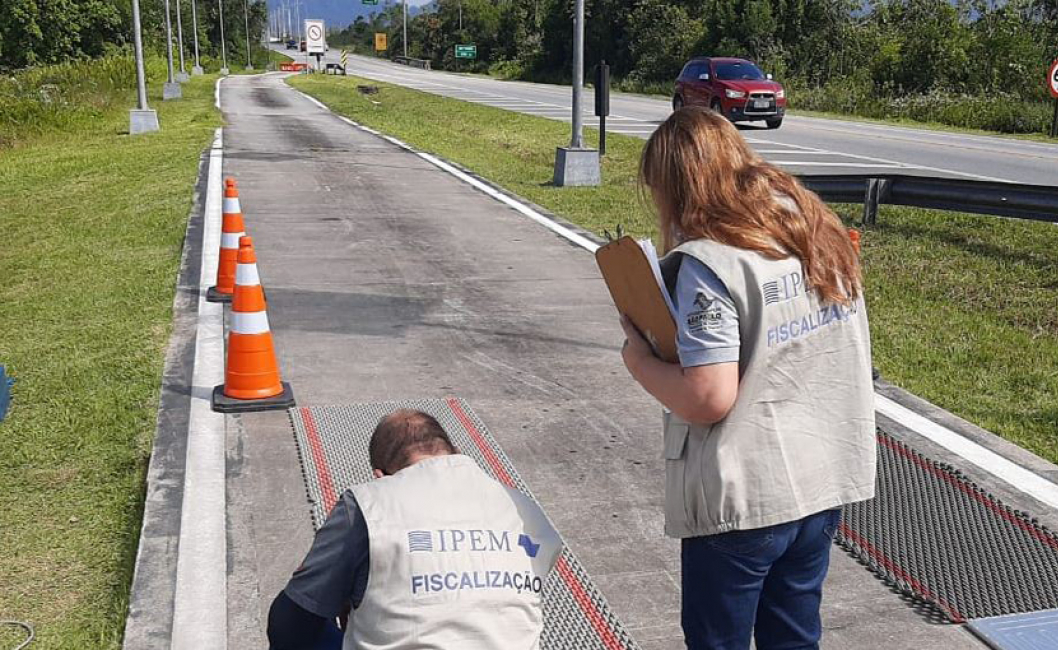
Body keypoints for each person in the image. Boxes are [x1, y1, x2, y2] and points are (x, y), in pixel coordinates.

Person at [620, 107, 876, 650]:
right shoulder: (811, 227)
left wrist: (639, 360)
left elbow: (709, 396)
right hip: (819, 485)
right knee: (794, 637)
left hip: (744, 499)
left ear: (678, 186)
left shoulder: (710, 263)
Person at [267, 409, 563, 650]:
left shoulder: (367, 504)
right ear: (453, 453)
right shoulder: (525, 508)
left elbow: (289, 626)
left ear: (380, 476)